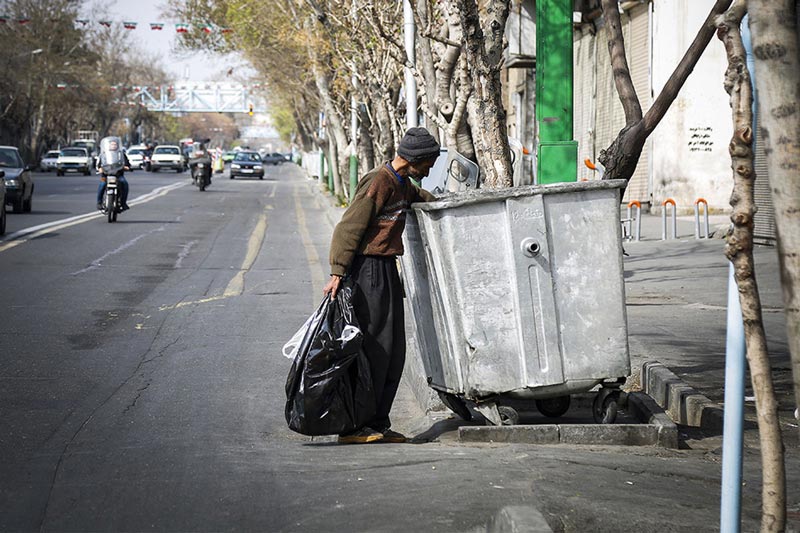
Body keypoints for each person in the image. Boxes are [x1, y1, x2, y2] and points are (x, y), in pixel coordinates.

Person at [323, 127, 441, 445]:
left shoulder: (404, 184)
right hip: (368, 271)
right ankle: (354, 427)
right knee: (373, 350)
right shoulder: (379, 180)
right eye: (428, 163)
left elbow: (426, 199)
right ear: (414, 160)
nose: (430, 169)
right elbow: (348, 227)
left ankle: (377, 422)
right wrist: (338, 271)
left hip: (387, 270)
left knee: (393, 352)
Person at [96, 138, 130, 211]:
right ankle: (99, 202)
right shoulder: (104, 154)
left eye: (115, 144)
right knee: (102, 185)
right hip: (106, 175)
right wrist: (99, 168)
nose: (113, 146)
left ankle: (123, 203)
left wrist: (126, 167)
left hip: (118, 175)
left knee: (125, 184)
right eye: (112, 144)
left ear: (117, 146)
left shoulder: (121, 154)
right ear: (109, 145)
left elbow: (127, 163)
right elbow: (99, 164)